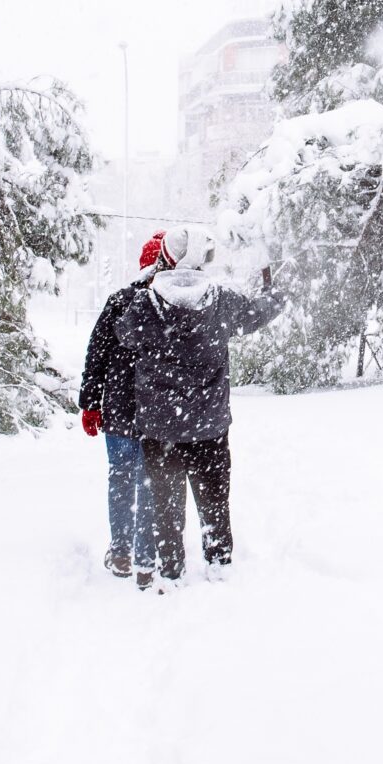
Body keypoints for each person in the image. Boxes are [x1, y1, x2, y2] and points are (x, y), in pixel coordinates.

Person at [109, 226, 284, 578]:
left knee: (166, 510)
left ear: (166, 259)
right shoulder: (221, 301)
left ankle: (171, 572)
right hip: (209, 427)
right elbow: (258, 314)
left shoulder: (144, 303)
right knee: (215, 503)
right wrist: (276, 294)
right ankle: (218, 566)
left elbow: (123, 334)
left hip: (160, 430)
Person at [78, 232, 165, 586]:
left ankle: (121, 554)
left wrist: (90, 403)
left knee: (121, 479)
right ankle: (145, 560)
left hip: (117, 410)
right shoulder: (168, 304)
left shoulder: (120, 301)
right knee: (147, 483)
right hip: (156, 413)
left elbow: (95, 354)